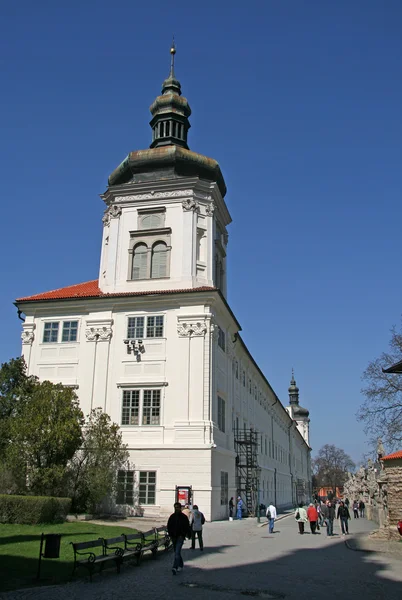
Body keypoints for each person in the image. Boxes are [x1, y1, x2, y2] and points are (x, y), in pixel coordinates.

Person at [167, 502, 191, 575]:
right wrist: (170, 534)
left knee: (177, 552)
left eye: (177, 507)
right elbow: (169, 526)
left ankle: (174, 567)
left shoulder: (184, 517)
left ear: (180, 508)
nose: (176, 508)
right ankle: (181, 564)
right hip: (174, 537)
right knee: (177, 552)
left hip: (180, 537)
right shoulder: (172, 517)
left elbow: (187, 526)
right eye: (175, 507)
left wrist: (186, 534)